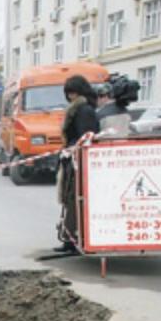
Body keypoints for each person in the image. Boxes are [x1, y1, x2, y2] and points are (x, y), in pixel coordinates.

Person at [55, 75, 100, 253]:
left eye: (72, 92)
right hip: (72, 160)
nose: (70, 96)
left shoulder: (83, 111)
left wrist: (72, 149)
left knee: (75, 200)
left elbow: (85, 136)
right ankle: (69, 239)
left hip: (78, 162)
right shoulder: (78, 109)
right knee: (70, 200)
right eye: (68, 93)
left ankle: (73, 239)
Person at [96, 73, 139, 137]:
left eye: (98, 97)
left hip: (106, 145)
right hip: (123, 145)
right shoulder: (125, 111)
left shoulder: (100, 114)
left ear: (105, 96)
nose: (97, 101)